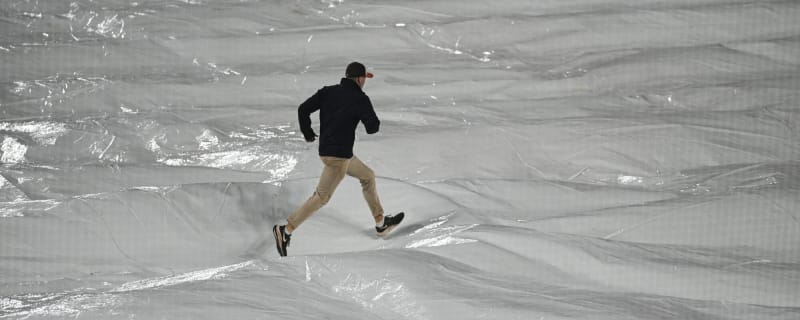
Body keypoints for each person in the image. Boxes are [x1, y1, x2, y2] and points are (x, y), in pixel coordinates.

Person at [273, 62, 404, 257]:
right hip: (338, 158)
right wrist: (365, 112)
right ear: (360, 79)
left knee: (368, 176)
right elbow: (372, 128)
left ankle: (380, 223)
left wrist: (308, 133)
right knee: (321, 197)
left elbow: (303, 109)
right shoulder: (360, 98)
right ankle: (286, 230)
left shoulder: (328, 92)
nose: (364, 83)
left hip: (331, 152)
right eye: (364, 79)